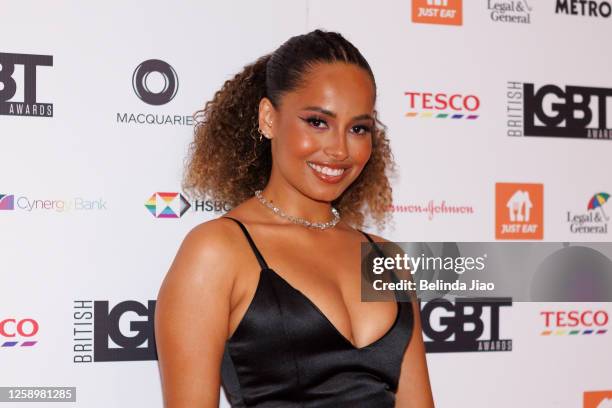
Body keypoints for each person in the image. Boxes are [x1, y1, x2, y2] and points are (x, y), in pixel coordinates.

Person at [154, 29, 434, 408]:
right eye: (318, 122)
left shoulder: (384, 258)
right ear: (269, 119)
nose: (338, 149)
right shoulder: (219, 250)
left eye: (358, 128)